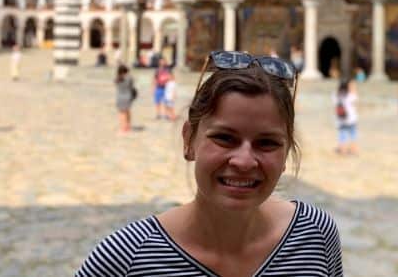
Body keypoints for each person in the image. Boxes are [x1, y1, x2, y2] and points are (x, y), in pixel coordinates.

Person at [77, 50, 343, 276]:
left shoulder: (315, 234)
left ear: (285, 154)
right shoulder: (126, 258)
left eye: (267, 143)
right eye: (225, 138)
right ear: (189, 140)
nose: (244, 161)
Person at [334, 79, 358, 155]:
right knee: (353, 134)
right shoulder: (350, 96)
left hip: (341, 119)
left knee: (342, 135)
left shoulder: (336, 96)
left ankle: (342, 149)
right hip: (351, 119)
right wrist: (352, 87)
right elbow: (355, 97)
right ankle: (353, 150)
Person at [115, 65, 135, 135]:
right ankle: (128, 126)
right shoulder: (129, 78)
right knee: (127, 112)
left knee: (121, 113)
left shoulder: (117, 78)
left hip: (120, 96)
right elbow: (132, 85)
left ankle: (123, 127)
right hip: (128, 96)